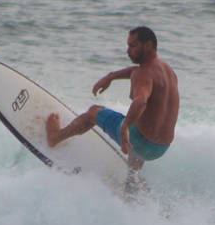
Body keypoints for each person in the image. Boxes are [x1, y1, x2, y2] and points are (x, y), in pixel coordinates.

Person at [45, 26, 179, 170]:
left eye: (133, 46)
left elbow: (141, 101)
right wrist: (112, 76)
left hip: (140, 142)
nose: (128, 51)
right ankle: (131, 184)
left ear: (148, 45)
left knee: (93, 112)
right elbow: (137, 72)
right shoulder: (167, 70)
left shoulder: (143, 74)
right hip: (160, 148)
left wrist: (125, 127)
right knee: (141, 124)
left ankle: (56, 137)